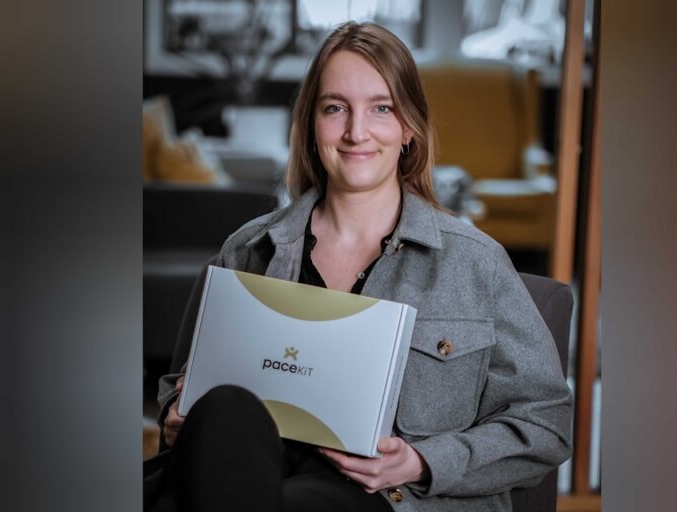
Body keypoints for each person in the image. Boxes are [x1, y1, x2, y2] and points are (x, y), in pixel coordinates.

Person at [148, 21, 572, 512]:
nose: (356, 132)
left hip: (384, 498)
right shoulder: (247, 248)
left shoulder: (475, 263)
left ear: (409, 126)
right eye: (335, 109)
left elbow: (546, 422)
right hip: (247, 474)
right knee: (224, 409)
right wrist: (177, 417)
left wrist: (420, 460)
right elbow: (177, 391)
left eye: (381, 108)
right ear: (312, 122)